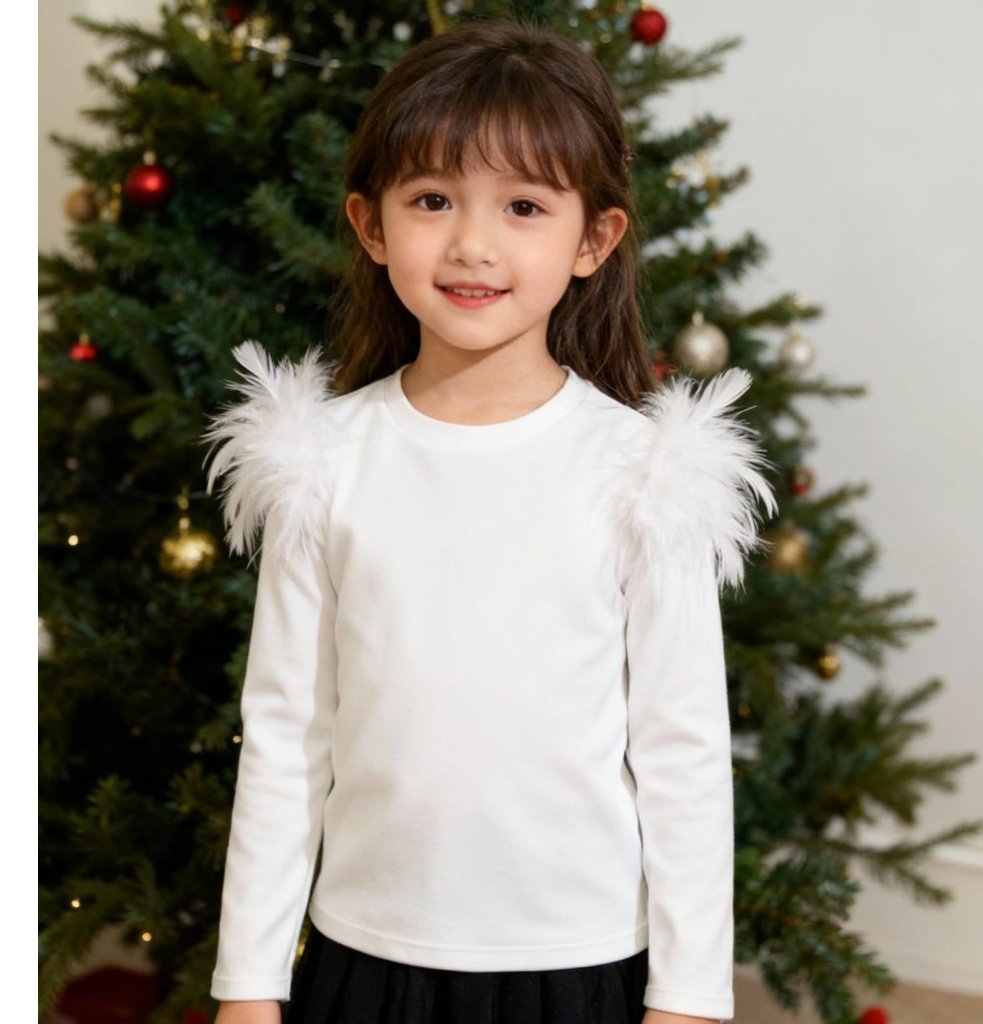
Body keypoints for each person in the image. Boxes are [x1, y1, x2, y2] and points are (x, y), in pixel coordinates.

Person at [203, 18, 776, 1024]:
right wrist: (247, 982)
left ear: (592, 239)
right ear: (371, 225)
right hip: (367, 955)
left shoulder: (647, 475)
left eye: (523, 206)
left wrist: (689, 995)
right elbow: (287, 735)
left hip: (579, 962)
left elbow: (682, 752)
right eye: (432, 200)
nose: (473, 244)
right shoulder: (320, 463)